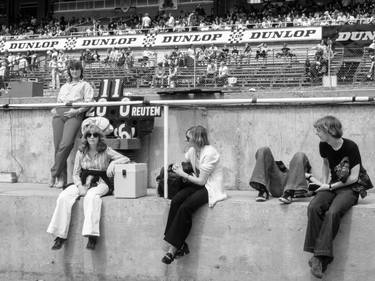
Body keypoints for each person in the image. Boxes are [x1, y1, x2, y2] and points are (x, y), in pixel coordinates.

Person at [303, 116, 369, 279]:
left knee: (333, 212)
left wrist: (330, 187)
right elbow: (326, 164)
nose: (316, 133)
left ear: (329, 130)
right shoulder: (323, 145)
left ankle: (319, 259)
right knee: (313, 206)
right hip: (332, 185)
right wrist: (324, 186)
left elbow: (354, 177)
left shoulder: (351, 147)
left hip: (350, 188)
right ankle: (319, 254)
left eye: (318, 130)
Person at [47, 123, 130, 250]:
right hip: (83, 180)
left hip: (101, 181)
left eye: (95, 135)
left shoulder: (106, 150)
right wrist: (79, 186)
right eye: (89, 135)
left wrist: (113, 163)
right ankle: (60, 236)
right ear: (85, 137)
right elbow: (75, 174)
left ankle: (92, 235)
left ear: (99, 137)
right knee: (64, 196)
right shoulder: (81, 152)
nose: (92, 137)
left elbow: (125, 159)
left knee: (91, 197)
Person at [161, 126, 227, 264]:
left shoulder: (210, 153)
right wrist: (176, 167)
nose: (186, 140)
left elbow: (202, 180)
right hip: (197, 183)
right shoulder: (192, 150)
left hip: (210, 187)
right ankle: (178, 244)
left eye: (188, 138)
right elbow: (187, 163)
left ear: (196, 138)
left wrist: (183, 174)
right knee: (176, 200)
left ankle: (173, 249)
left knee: (186, 207)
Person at [50, 60, 94, 189]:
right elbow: (59, 101)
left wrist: (77, 111)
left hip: (74, 113)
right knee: (58, 146)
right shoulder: (64, 86)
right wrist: (54, 109)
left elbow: (89, 102)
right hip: (59, 114)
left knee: (66, 144)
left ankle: (54, 173)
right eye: (72, 69)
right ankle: (61, 178)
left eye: (77, 69)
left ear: (81, 71)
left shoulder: (85, 85)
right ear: (69, 71)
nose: (74, 71)